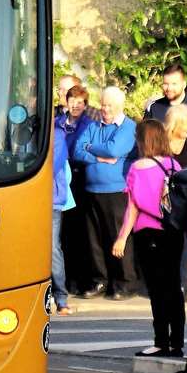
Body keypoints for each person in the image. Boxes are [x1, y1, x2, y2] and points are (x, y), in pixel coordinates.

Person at [113, 118, 184, 356]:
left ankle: (160, 341)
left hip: (149, 231)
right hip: (173, 232)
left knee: (157, 288)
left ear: (143, 140)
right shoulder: (174, 165)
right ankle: (177, 343)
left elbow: (133, 206)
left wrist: (122, 237)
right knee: (174, 286)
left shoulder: (138, 167)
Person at [73, 86, 137, 297]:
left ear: (120, 106)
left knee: (116, 236)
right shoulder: (93, 125)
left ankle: (123, 282)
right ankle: (99, 280)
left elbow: (114, 150)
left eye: (109, 105)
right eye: (103, 104)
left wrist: (91, 147)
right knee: (94, 239)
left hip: (117, 190)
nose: (105, 109)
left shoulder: (128, 127)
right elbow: (77, 150)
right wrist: (96, 155)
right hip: (92, 189)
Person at [58, 84, 98, 294]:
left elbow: (83, 151)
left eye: (80, 102)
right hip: (61, 179)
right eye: (72, 100)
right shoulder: (57, 123)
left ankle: (81, 280)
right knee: (63, 233)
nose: (75, 105)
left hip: (80, 179)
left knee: (80, 233)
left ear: (85, 105)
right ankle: (65, 279)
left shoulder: (89, 125)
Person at [50, 108, 74, 316]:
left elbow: (52, 166)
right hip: (32, 196)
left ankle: (61, 298)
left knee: (52, 248)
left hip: (51, 200)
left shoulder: (57, 134)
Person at [144, 61, 187, 134]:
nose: (169, 88)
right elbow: (144, 139)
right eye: (166, 84)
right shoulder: (153, 108)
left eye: (174, 84)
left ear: (184, 84)